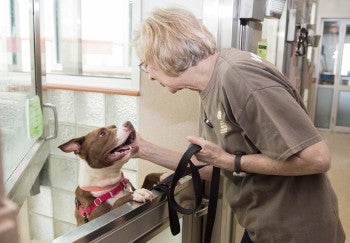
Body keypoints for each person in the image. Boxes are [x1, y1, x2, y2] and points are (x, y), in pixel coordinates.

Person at [132, 7, 346, 243]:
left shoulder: (238, 77)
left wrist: (229, 160)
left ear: (165, 53)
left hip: (295, 231)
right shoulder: (210, 85)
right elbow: (212, 167)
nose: (150, 75)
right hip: (264, 226)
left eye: (146, 64)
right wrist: (142, 149)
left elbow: (317, 158)